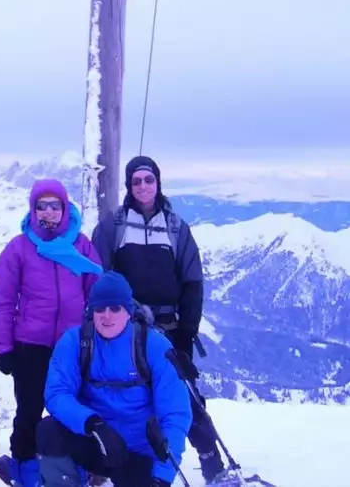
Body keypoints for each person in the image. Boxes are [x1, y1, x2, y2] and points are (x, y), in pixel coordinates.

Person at [91, 155, 224, 482]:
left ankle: (210, 460)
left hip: (170, 327)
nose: (143, 186)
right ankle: (125, 462)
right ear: (128, 186)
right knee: (128, 393)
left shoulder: (176, 227)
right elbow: (101, 277)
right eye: (136, 181)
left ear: (158, 183)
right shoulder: (114, 226)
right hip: (127, 327)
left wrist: (188, 328)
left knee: (182, 394)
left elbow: (192, 280)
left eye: (148, 180)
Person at [0, 178, 103, 487]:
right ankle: (25, 472)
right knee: (28, 411)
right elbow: (3, 299)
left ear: (65, 209)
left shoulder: (82, 246)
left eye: (56, 206)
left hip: (72, 346)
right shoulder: (20, 248)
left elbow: (97, 293)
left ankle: (76, 471)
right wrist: (4, 347)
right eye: (43, 206)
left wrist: (97, 340)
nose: (49, 212)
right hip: (31, 346)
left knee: (73, 409)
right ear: (34, 208)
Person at [38, 271, 192, 487]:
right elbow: (57, 394)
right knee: (49, 431)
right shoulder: (75, 342)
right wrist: (93, 423)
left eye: (115, 308)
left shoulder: (154, 346)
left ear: (128, 311)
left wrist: (163, 476)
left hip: (139, 453)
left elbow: (175, 413)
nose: (106, 315)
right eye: (99, 309)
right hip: (95, 440)